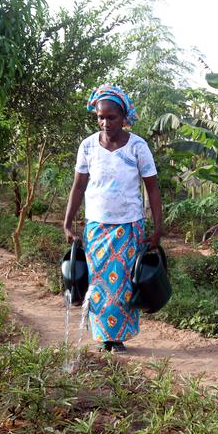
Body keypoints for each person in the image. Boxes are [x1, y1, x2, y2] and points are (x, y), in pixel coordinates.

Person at [63, 84, 163, 353]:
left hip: (129, 226)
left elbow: (152, 188)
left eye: (111, 117)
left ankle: (116, 338)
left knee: (121, 284)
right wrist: (67, 222)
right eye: (100, 117)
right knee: (98, 283)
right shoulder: (88, 147)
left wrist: (157, 229)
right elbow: (78, 186)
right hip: (97, 226)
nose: (105, 123)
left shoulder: (138, 147)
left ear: (124, 117)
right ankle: (102, 336)